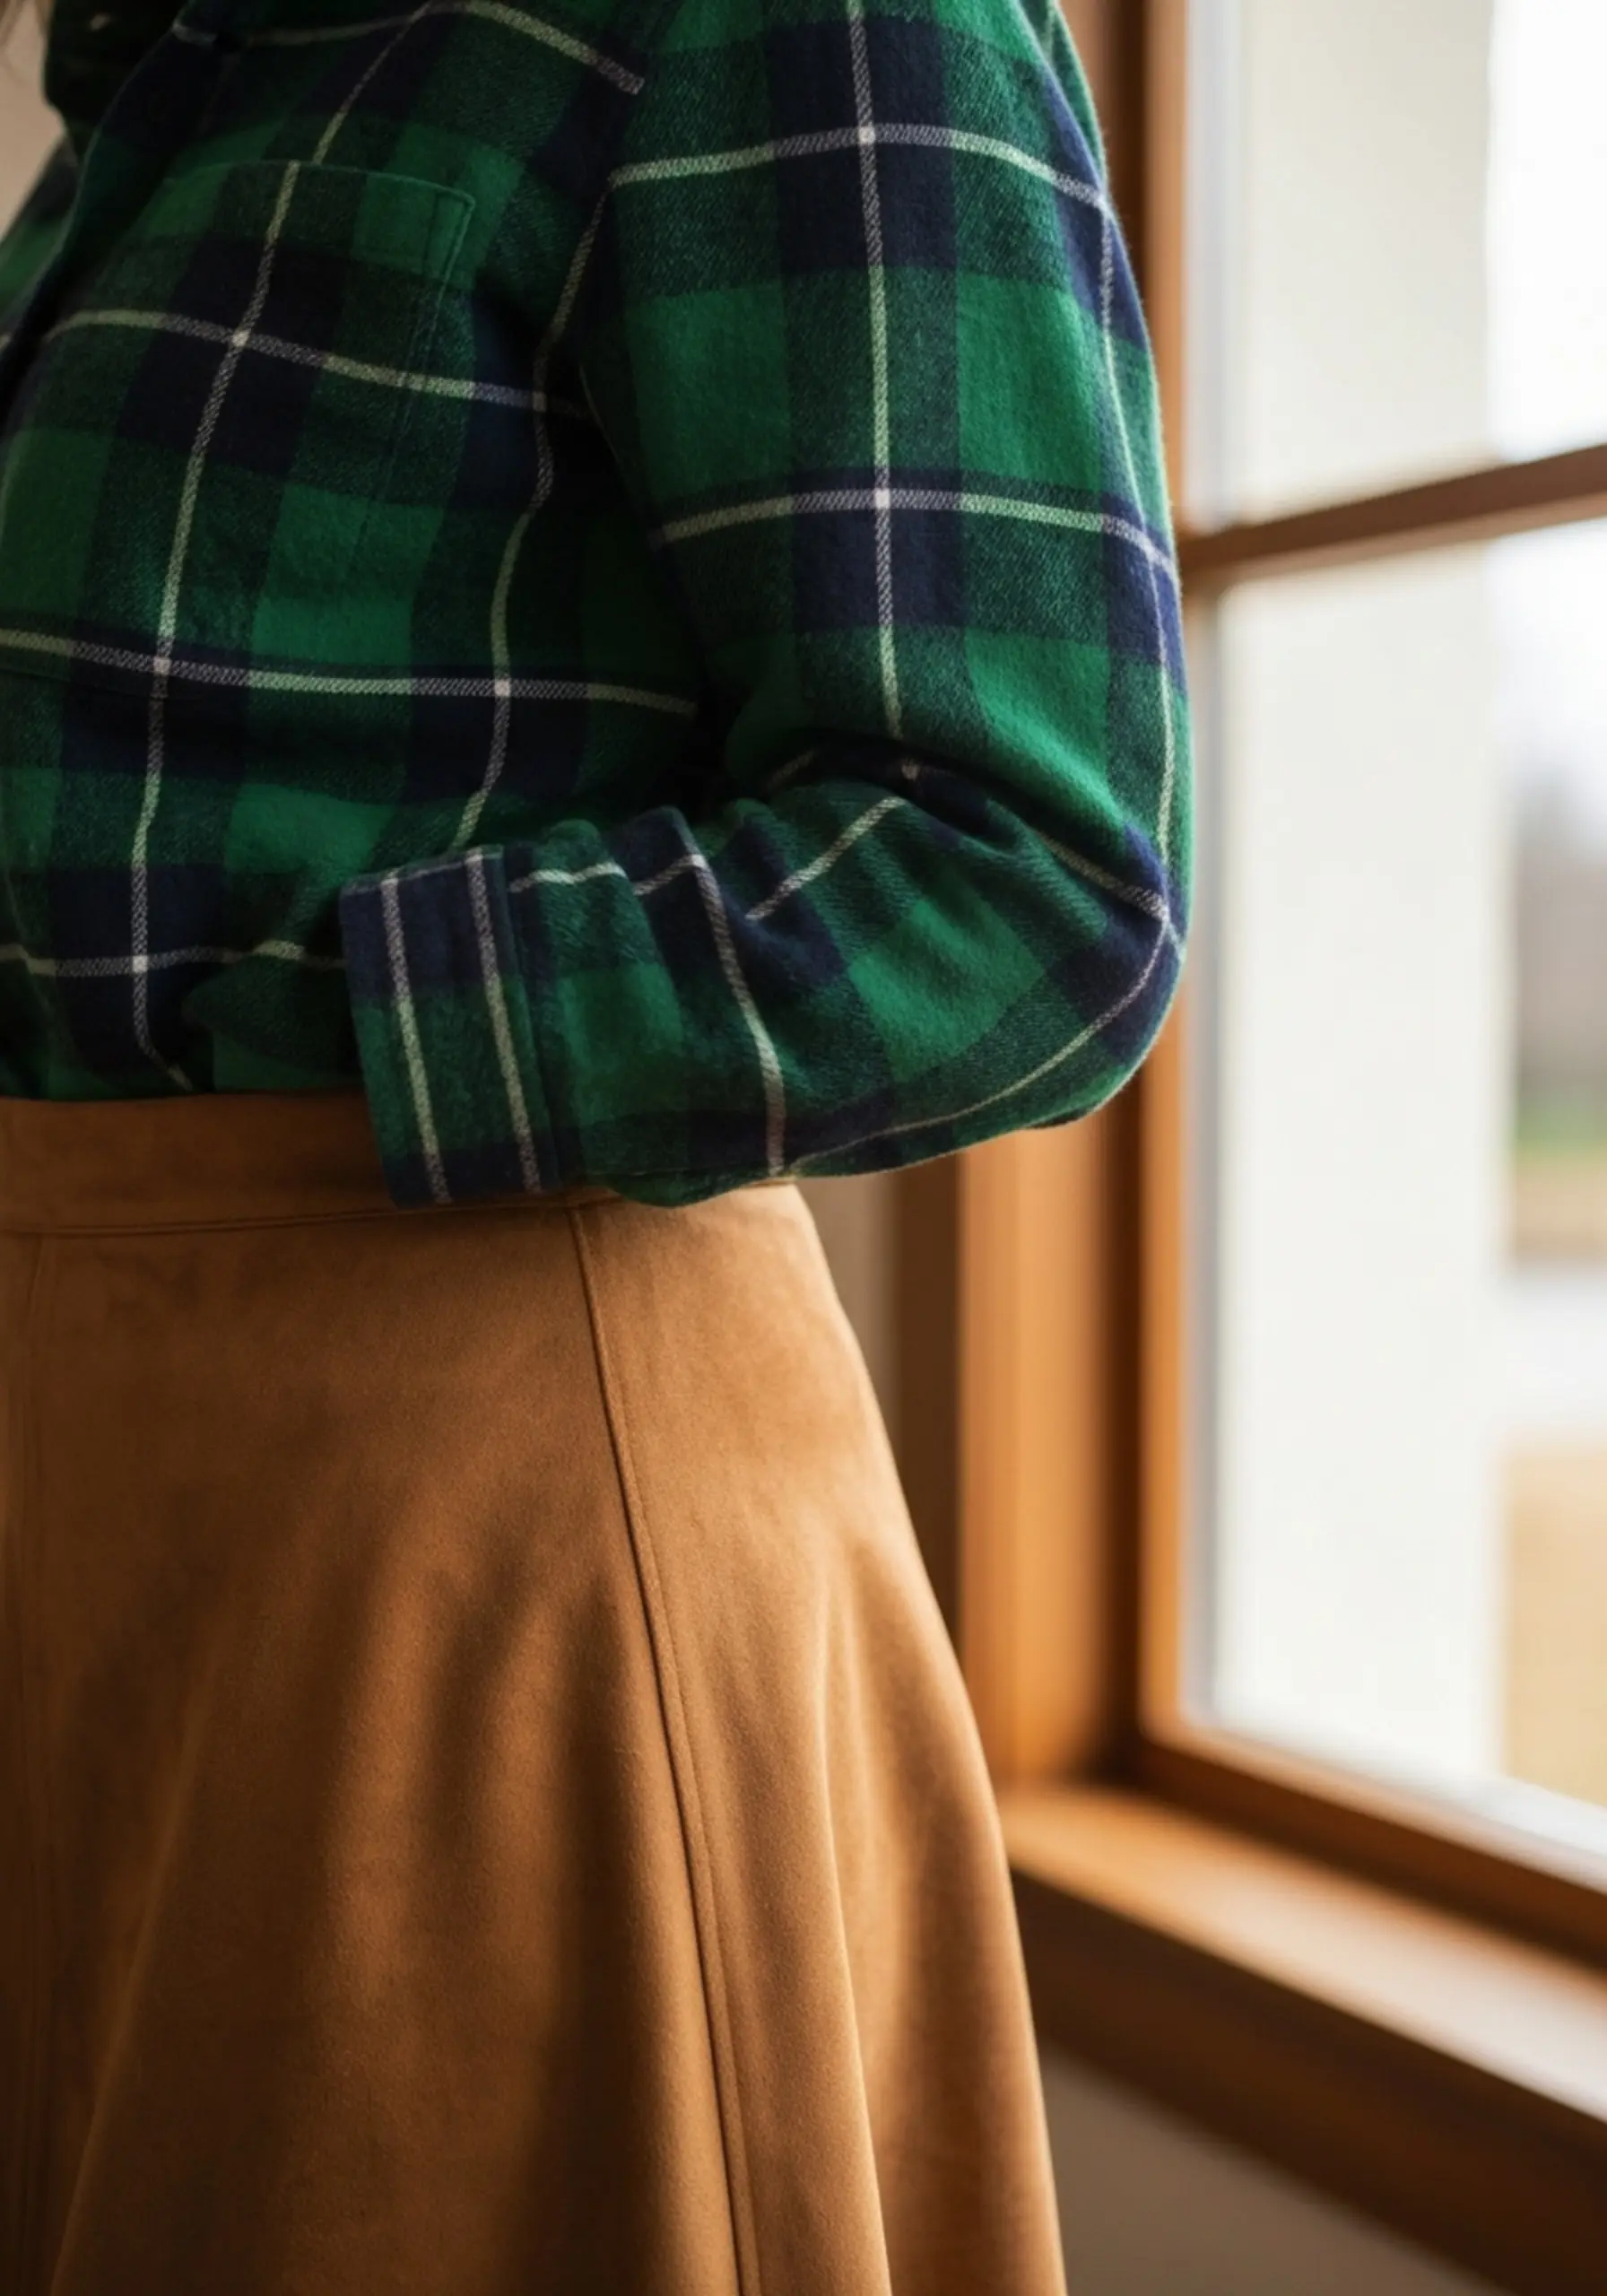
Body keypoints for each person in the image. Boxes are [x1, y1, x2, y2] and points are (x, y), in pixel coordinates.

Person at [0, 0, 1189, 2286]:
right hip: (116, 1491)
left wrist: (323, 1030)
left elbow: (1031, 867)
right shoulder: (188, 76)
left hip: (494, 1513)